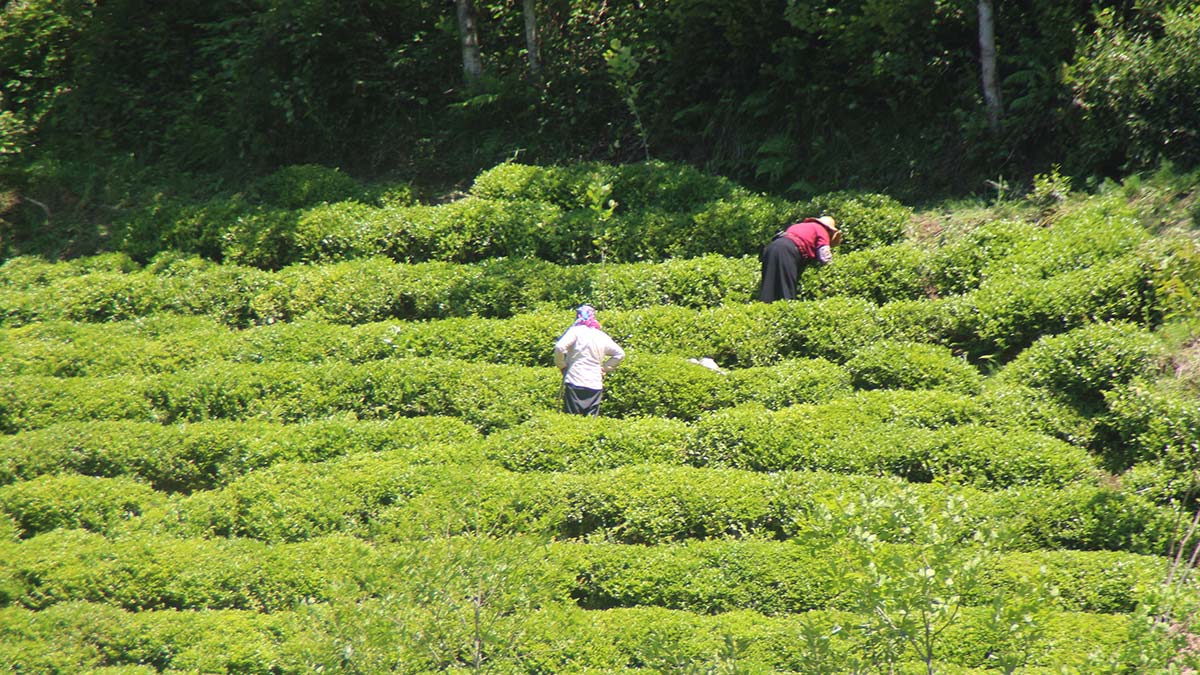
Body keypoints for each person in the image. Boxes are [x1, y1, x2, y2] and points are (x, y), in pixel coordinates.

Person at [553, 304, 625, 416]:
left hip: (574, 379)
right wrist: (604, 369)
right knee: (590, 421)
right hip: (595, 383)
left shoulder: (575, 331)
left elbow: (559, 347)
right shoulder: (601, 335)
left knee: (572, 419)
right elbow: (620, 354)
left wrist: (561, 365)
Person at [758, 215, 843, 302]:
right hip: (787, 250)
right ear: (829, 230)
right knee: (786, 289)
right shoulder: (822, 230)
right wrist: (832, 269)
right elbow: (825, 256)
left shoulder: (798, 226)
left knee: (769, 285)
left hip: (772, 247)